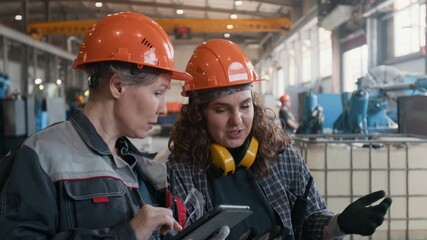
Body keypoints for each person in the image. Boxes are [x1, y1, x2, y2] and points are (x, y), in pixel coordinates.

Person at [166, 39, 392, 239]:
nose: (237, 120)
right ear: (198, 114)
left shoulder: (282, 156)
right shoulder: (181, 170)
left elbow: (309, 219)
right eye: (221, 110)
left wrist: (338, 225)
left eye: (245, 106)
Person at [0, 12, 192, 239]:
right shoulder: (40, 157)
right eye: (158, 92)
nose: (162, 109)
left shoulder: (136, 165)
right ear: (118, 86)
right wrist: (126, 234)